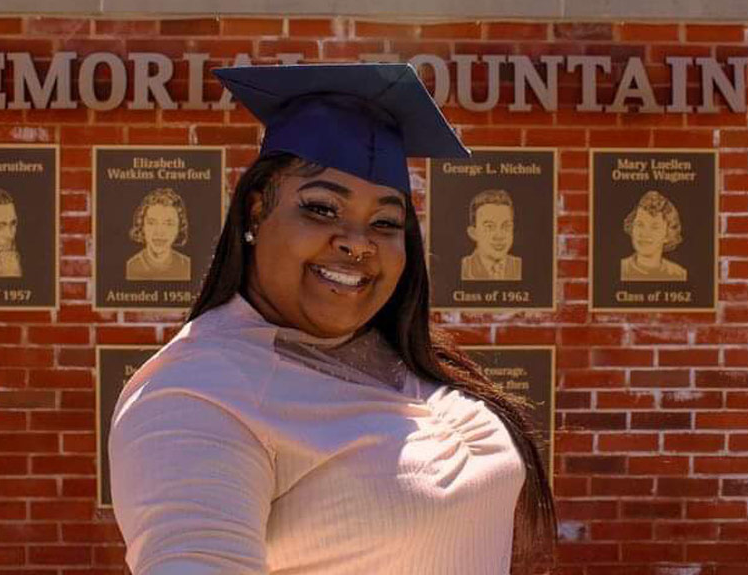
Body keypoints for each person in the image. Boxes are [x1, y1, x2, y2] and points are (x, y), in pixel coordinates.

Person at [108, 63, 556, 575]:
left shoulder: (389, 354)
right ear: (257, 212)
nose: (357, 242)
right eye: (321, 209)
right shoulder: (196, 395)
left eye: (386, 222)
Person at [125, 187, 192, 281]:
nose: (159, 232)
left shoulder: (186, 266)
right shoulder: (130, 266)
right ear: (142, 226)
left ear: (179, 227)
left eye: (169, 224)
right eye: (152, 223)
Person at [620, 190, 688, 282]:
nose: (644, 233)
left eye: (654, 227)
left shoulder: (678, 274)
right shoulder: (620, 269)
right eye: (640, 224)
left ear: (668, 235)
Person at [461, 189, 522, 281]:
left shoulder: (520, 266)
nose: (499, 236)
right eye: (489, 227)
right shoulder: (464, 268)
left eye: (506, 226)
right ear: (473, 233)